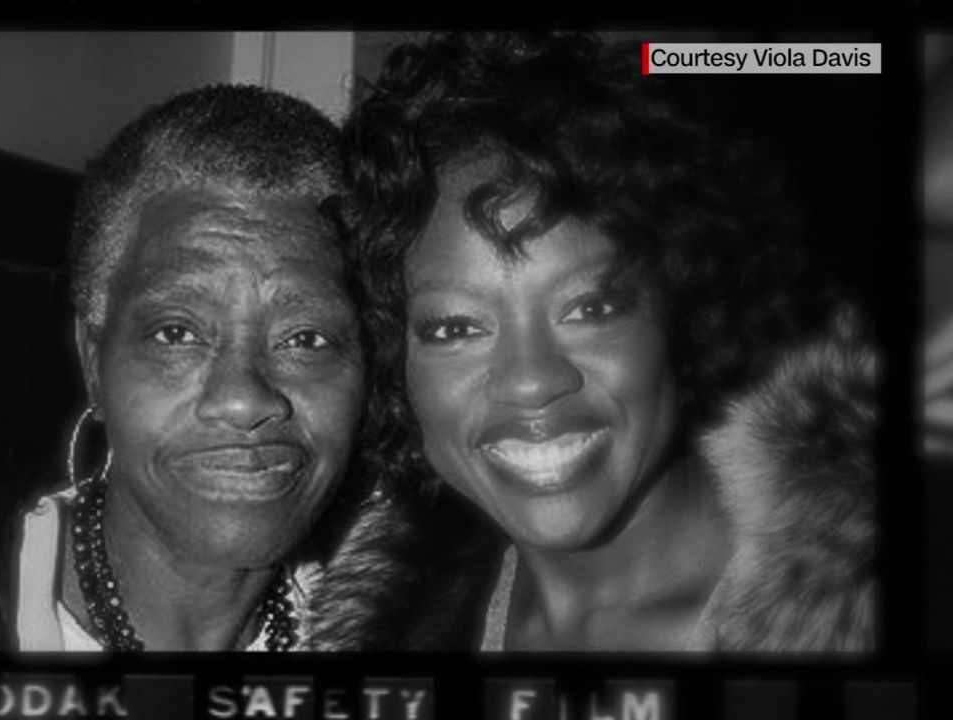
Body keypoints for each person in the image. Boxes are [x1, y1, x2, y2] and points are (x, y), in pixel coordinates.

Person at [308, 32, 875, 652]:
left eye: (590, 307)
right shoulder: (387, 625)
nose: (531, 379)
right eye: (456, 328)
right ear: (397, 366)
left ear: (683, 314)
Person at [0, 84, 364, 651]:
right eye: (177, 334)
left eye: (306, 338)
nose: (244, 400)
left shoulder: (401, 629)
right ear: (94, 360)